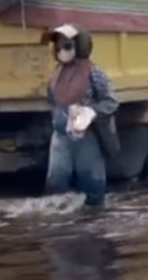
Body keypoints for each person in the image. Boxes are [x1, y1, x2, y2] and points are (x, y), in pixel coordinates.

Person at [43, 24, 118, 207]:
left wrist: (90, 111)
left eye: (67, 46)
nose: (62, 51)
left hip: (87, 136)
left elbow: (111, 102)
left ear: (80, 46)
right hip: (61, 137)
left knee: (92, 185)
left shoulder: (94, 72)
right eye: (59, 47)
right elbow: (52, 101)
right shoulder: (55, 74)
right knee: (56, 185)